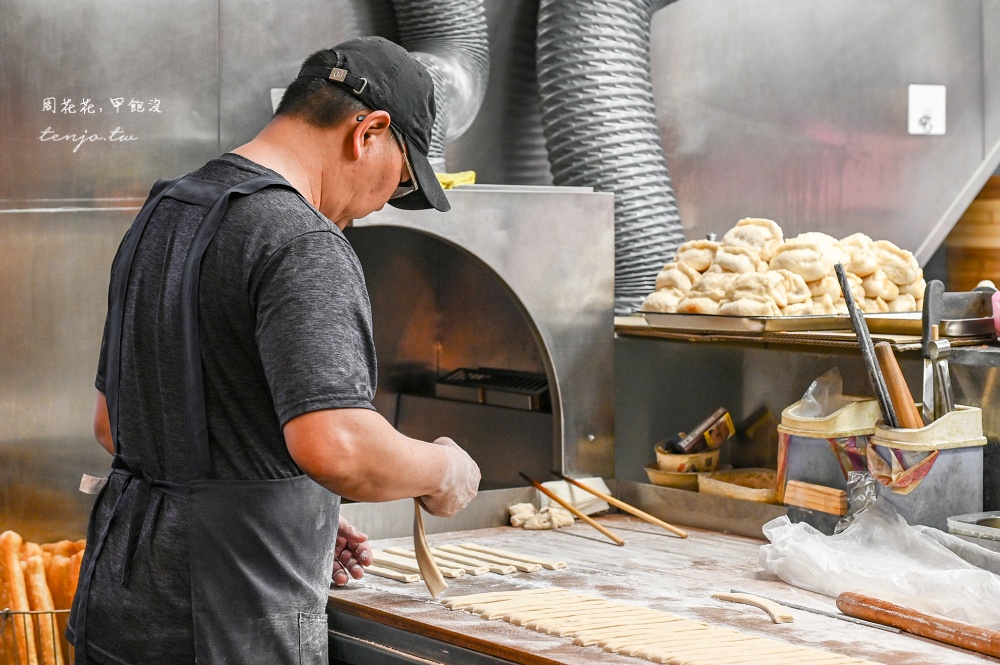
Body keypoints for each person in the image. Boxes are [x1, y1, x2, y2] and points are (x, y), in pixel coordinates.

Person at [68, 36, 481, 665]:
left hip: (120, 610)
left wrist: (285, 509)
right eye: (397, 184)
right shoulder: (302, 241)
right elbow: (337, 446)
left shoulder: (162, 212)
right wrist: (441, 469)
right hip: (228, 628)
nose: (376, 208)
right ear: (367, 131)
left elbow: (114, 426)